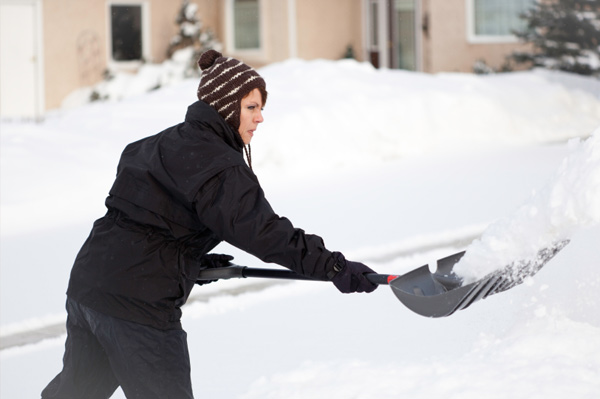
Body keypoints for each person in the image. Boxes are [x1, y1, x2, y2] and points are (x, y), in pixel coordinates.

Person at [42, 50, 377, 399]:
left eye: (261, 108)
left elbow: (145, 221)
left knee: (76, 394)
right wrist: (332, 265)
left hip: (88, 286)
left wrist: (191, 260)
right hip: (139, 306)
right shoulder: (219, 166)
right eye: (251, 107)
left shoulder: (157, 143)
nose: (260, 118)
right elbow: (264, 232)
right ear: (226, 107)